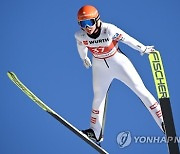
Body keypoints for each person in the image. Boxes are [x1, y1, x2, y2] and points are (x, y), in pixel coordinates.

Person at [74, 5, 165, 143]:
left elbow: (127, 39)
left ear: (97, 20)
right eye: (83, 23)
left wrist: (143, 48)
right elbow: (81, 46)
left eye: (90, 22)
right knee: (98, 98)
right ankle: (95, 132)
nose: (87, 27)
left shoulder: (109, 30)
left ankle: (164, 122)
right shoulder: (80, 35)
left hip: (119, 63)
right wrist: (84, 58)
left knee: (140, 90)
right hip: (99, 67)